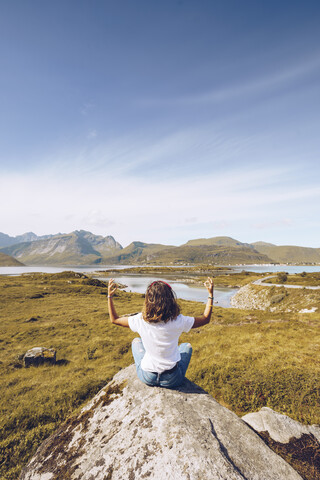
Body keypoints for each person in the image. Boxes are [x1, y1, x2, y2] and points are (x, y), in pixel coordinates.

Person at [107, 277, 214, 388]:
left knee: (136, 342)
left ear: (148, 300)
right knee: (186, 347)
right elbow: (205, 319)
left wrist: (110, 296)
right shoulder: (179, 321)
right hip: (172, 379)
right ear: (171, 300)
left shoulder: (140, 320)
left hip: (147, 377)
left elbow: (114, 319)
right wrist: (210, 295)